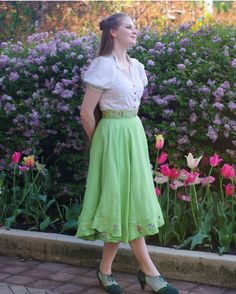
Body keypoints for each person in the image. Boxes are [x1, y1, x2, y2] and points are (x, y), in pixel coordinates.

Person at [75, 12, 179, 294]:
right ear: (113, 32)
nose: (135, 31)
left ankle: (105, 271)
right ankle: (151, 274)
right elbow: (86, 112)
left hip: (133, 132)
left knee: (127, 202)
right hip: (111, 138)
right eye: (129, 27)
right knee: (123, 202)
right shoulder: (103, 66)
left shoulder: (136, 66)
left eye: (135, 27)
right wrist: (100, 145)